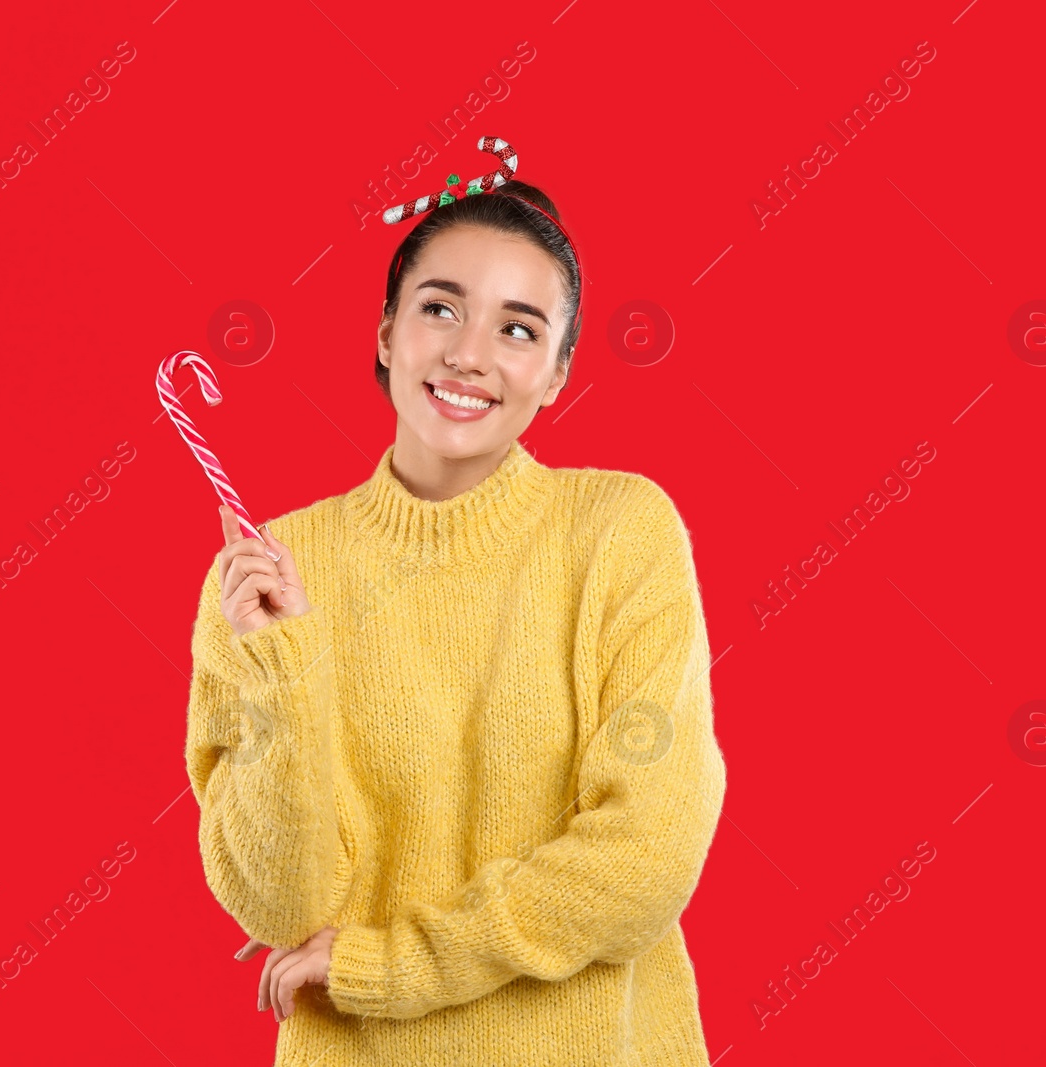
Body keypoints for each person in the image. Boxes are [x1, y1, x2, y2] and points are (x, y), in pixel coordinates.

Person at [184, 170, 728, 1066]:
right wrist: (284, 668)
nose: (469, 355)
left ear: (556, 375)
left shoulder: (621, 533)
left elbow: (647, 854)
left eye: (518, 329)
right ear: (386, 333)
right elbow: (280, 904)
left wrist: (395, 965)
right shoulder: (268, 575)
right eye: (440, 309)